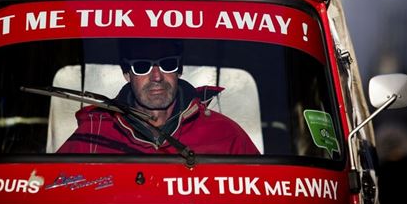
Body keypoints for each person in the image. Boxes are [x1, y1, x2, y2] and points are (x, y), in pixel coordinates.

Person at [57, 39, 259, 155]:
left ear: (179, 70)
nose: (156, 76)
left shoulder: (225, 134)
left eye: (168, 64)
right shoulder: (93, 135)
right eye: (142, 66)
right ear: (127, 74)